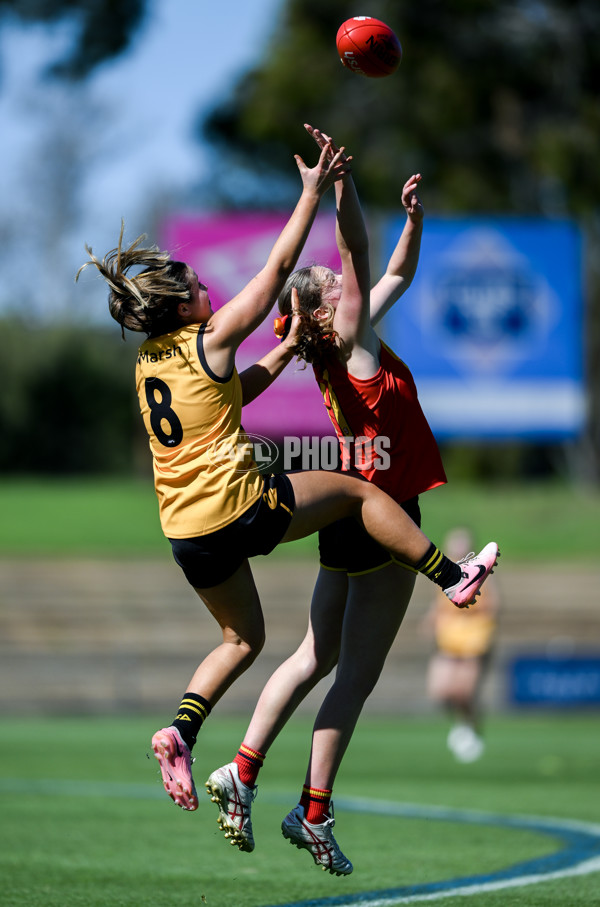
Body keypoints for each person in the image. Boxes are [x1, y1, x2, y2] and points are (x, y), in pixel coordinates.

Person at [78, 126, 495, 822]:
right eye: (199, 286)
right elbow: (297, 267)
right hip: (287, 506)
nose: (209, 288)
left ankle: (193, 736)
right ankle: (452, 578)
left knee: (261, 644)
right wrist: (324, 189)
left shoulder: (153, 362)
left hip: (185, 531)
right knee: (355, 561)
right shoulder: (305, 334)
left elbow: (248, 379)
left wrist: (410, 225)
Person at [205, 126, 499, 875]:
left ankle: (241, 767)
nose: (343, 284)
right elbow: (360, 259)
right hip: (386, 519)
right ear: (326, 308)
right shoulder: (353, 338)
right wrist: (340, 185)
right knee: (354, 678)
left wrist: (415, 222)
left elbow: (389, 268)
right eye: (331, 285)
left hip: (347, 515)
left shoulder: (347, 337)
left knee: (312, 655)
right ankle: (313, 811)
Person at [425, 527, 501, 763]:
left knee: (464, 693)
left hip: (473, 643)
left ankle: (470, 727)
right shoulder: (444, 576)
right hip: (448, 643)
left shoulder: (481, 577)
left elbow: (492, 608)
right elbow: (439, 606)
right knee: (439, 691)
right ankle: (462, 722)